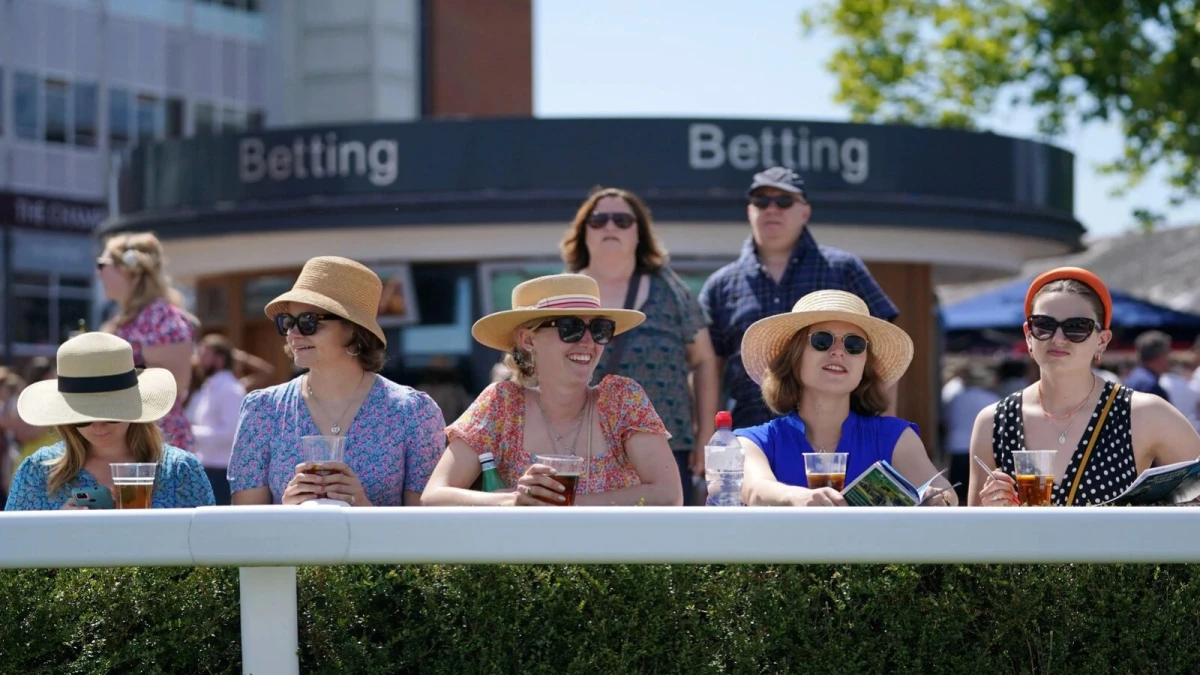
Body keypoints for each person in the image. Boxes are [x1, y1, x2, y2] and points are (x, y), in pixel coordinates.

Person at [422, 274, 683, 506]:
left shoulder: (622, 399)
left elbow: (669, 495)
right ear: (528, 339)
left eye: (600, 329)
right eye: (571, 328)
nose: (589, 341)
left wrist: (565, 506)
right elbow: (433, 496)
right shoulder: (502, 403)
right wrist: (512, 499)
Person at [968, 268, 1200, 506]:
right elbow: (973, 535)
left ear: (1102, 340)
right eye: (1044, 325)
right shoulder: (995, 422)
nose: (1058, 337)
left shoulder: (1144, 413)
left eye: (1077, 326)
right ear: (1029, 334)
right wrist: (991, 512)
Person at [227, 256, 445, 506]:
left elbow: (424, 528)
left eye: (309, 322)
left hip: (380, 548)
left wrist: (364, 508)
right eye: (287, 322)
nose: (293, 333)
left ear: (354, 329)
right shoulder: (263, 410)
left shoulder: (413, 412)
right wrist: (286, 512)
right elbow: (245, 525)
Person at [699, 166, 899, 430]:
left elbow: (883, 346)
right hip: (749, 432)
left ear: (805, 212)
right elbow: (708, 363)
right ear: (750, 211)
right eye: (761, 201)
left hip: (842, 432)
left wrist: (886, 427)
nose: (772, 209)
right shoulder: (720, 284)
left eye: (784, 201)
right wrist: (706, 434)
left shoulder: (844, 268)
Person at [560, 186, 719, 504]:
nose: (609, 227)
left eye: (622, 220)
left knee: (665, 546)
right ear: (583, 232)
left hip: (667, 445)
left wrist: (706, 437)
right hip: (579, 448)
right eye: (598, 219)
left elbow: (704, 360)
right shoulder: (565, 293)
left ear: (639, 233)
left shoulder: (671, 290)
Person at [736, 290, 954, 507]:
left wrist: (938, 498)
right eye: (822, 340)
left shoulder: (896, 437)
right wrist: (796, 497)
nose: (839, 351)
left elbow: (947, 494)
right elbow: (756, 490)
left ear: (864, 367)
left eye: (854, 345)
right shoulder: (755, 442)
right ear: (794, 357)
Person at [5, 333, 214, 511]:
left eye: (111, 414)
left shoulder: (180, 471)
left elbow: (209, 551)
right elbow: (9, 551)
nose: (98, 425)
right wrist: (59, 533)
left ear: (133, 409)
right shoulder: (37, 471)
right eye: (83, 416)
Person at [97, 232, 198, 451]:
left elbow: (174, 385)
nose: (98, 273)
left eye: (102, 264)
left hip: (155, 440)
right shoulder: (128, 319)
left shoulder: (162, 317)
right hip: (126, 439)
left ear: (128, 270)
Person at [186, 333, 246, 505]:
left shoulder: (231, 390)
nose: (197, 360)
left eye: (204, 355)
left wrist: (190, 433)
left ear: (219, 360)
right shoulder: (206, 388)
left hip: (221, 472)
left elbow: (231, 434)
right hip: (204, 468)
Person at [942, 362, 1000, 503]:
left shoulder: (955, 398)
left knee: (956, 494)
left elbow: (945, 419)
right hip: (982, 452)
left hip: (956, 446)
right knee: (980, 493)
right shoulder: (992, 399)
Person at [1124, 330, 1172, 400]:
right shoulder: (1152, 388)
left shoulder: (1133, 376)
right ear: (1160, 356)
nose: (1169, 358)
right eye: (1167, 353)